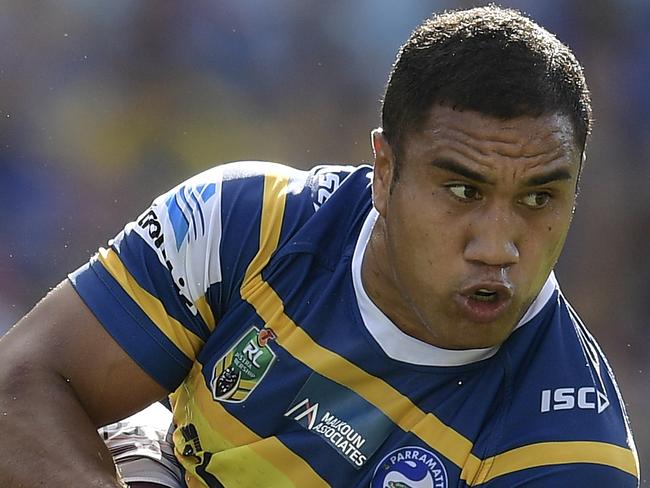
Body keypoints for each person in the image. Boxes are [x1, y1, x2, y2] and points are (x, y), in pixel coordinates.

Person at [0, 5, 640, 487]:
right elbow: (19, 385)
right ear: (384, 171)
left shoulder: (571, 451)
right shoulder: (247, 222)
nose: (498, 247)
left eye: (538, 199)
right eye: (463, 191)